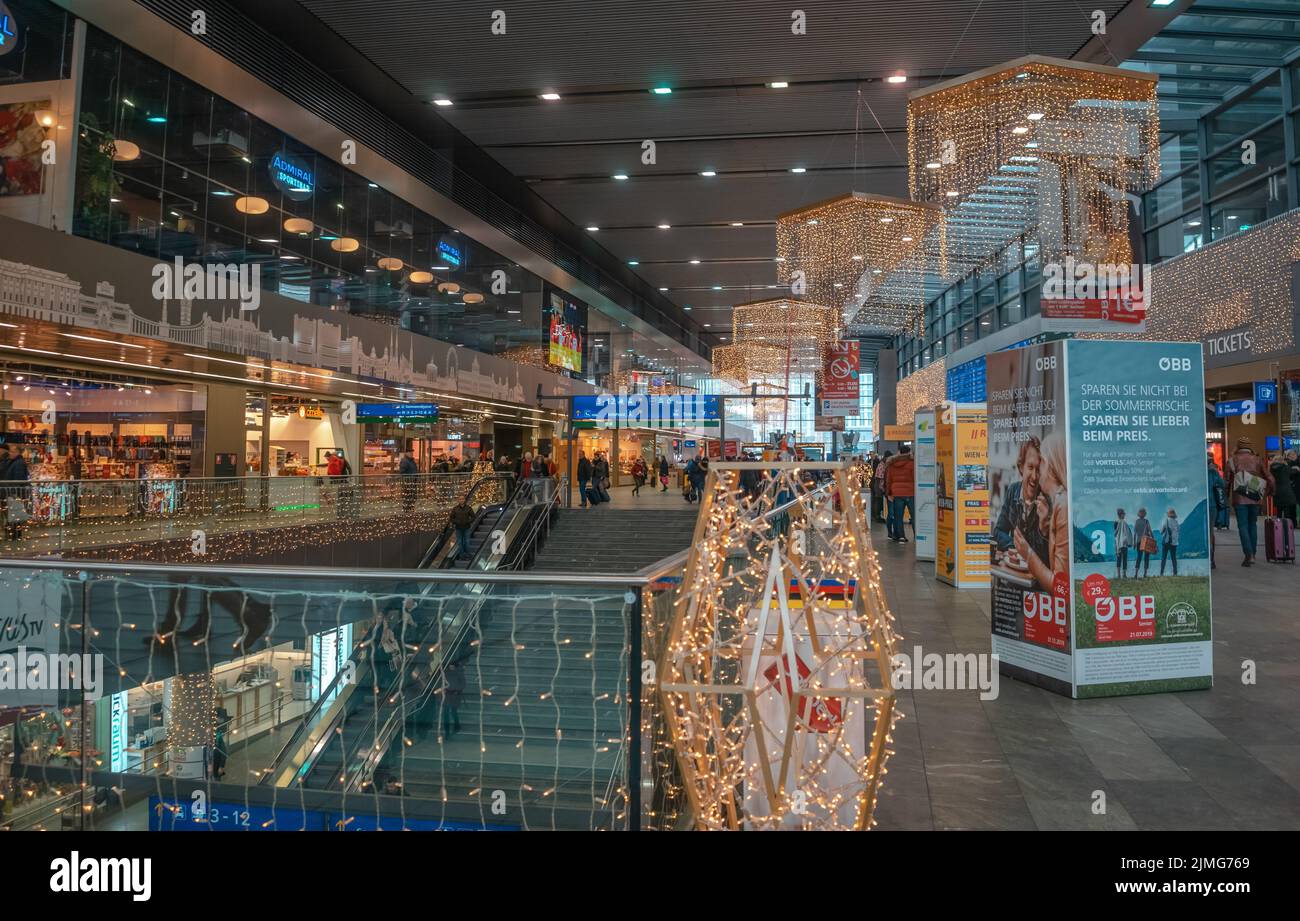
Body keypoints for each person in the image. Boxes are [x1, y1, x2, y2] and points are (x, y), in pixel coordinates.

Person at [1014, 434, 1068, 593]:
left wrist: (1027, 553)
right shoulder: (1060, 500)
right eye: (1031, 467)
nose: (1036, 475)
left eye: (1041, 464)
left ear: (1050, 466)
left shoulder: (1061, 504)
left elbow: (1059, 586)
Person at [1227, 436, 1274, 567]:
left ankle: (1249, 554)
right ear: (1250, 446)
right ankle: (1252, 552)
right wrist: (1269, 492)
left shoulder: (1232, 460)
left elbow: (1226, 481)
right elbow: (1270, 478)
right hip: (1255, 498)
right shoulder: (1258, 460)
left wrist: (1225, 498)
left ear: (1238, 446)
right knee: (1252, 524)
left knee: (1242, 526)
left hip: (1239, 498)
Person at [884, 444, 916, 542]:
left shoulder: (892, 464)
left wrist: (888, 493)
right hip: (911, 493)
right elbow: (915, 478)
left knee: (898, 516)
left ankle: (901, 536)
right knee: (914, 516)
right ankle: (917, 536)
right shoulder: (912, 463)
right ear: (908, 452)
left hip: (897, 493)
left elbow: (888, 480)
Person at [2, 444, 29, 541]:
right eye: (10, 451)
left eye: (13, 451)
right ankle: (12, 534)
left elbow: (19, 479)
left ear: (18, 452)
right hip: (10, 492)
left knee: (14, 515)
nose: (10, 453)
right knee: (12, 515)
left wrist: (14, 493)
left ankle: (14, 535)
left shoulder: (19, 463)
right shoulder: (12, 461)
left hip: (13, 493)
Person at [1270, 450, 1297, 526]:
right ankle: (1287, 528)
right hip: (1286, 493)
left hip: (1277, 492)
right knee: (1287, 513)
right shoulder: (1285, 468)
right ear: (1282, 460)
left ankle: (1278, 528)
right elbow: (1293, 472)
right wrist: (1296, 468)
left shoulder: (1271, 469)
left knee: (1279, 511)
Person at [439, 661, 465, 739]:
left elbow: (463, 684)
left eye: (452, 666)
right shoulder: (446, 673)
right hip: (447, 695)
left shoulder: (459, 673)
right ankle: (447, 732)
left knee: (453, 712)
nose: (451, 668)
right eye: (450, 666)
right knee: (446, 713)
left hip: (455, 696)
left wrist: (457, 690)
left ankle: (457, 726)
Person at [1132, 507, 1154, 578]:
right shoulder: (1146, 521)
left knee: (1139, 557)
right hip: (1146, 541)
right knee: (1146, 557)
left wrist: (1134, 543)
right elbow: (1150, 531)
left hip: (1139, 541)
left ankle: (1136, 574)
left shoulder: (1136, 522)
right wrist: (1153, 539)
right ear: (1144, 514)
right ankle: (1145, 574)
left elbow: (1134, 533)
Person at [1158, 507, 1180, 576]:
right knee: (1174, 558)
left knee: (1163, 558)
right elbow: (1178, 531)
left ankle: (1161, 573)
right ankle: (1175, 573)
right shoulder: (1176, 522)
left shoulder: (1166, 521)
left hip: (1166, 542)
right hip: (1174, 543)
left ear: (1168, 514)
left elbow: (1161, 531)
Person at [1113, 508, 1133, 578]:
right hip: (1123, 543)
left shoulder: (1117, 522)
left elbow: (1115, 534)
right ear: (1120, 515)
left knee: (1121, 559)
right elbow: (1127, 533)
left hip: (1119, 543)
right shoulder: (1122, 523)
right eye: (1124, 513)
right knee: (1123, 559)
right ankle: (1122, 575)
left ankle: (1121, 575)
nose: (1124, 515)